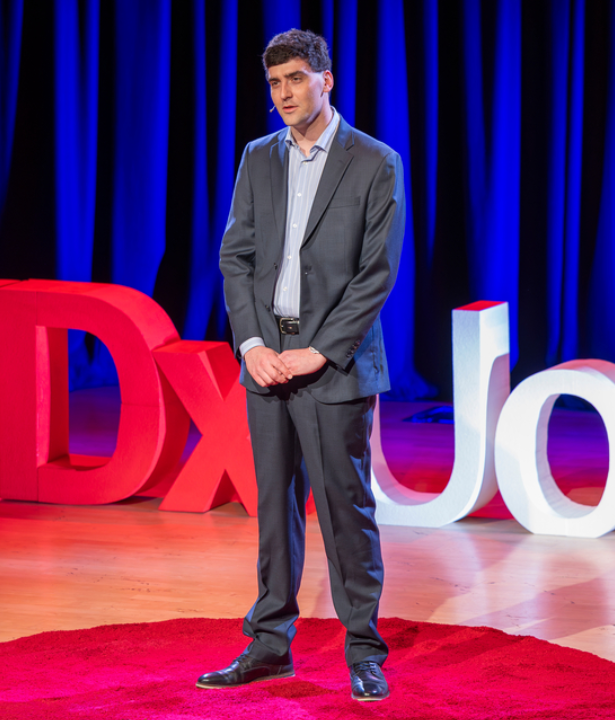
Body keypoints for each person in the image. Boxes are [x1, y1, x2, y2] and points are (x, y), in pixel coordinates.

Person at [201, 28, 405, 702]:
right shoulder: (258, 157)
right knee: (274, 508)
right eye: (275, 83)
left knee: (346, 510)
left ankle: (364, 650)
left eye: (296, 79)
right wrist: (253, 344)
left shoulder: (374, 162)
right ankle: (267, 644)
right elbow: (237, 257)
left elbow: (376, 274)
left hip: (333, 362)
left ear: (327, 80)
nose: (285, 93)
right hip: (267, 359)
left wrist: (322, 348)